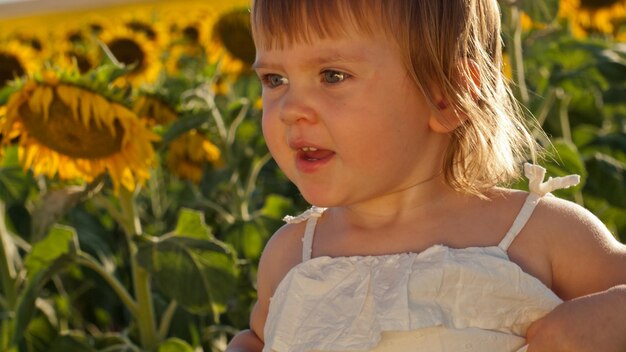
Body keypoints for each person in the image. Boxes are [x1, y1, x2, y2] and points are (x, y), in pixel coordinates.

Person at [227, 0, 626, 351]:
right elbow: (260, 339)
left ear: (447, 93)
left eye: (332, 75)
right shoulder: (294, 255)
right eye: (274, 80)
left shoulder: (537, 235)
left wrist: (603, 324)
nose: (291, 108)